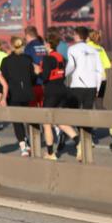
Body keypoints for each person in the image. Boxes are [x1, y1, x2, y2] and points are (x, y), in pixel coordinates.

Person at [40, 30, 80, 161]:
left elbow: (45, 77)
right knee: (60, 122)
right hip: (62, 90)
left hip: (51, 91)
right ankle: (79, 143)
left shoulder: (47, 59)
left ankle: (51, 153)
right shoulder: (61, 58)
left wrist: (37, 72)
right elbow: (62, 74)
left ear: (48, 44)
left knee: (47, 123)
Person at [0, 36, 37, 156]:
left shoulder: (6, 61)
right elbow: (33, 77)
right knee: (27, 118)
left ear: (11, 45)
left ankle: (23, 145)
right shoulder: (28, 59)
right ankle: (30, 142)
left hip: (13, 94)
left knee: (17, 121)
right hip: (27, 93)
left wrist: (2, 97)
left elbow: (2, 80)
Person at [23, 26, 48, 107]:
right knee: (42, 105)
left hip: (34, 82)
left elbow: (26, 64)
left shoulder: (29, 47)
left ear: (27, 35)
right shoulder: (43, 45)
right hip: (44, 81)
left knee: (32, 107)